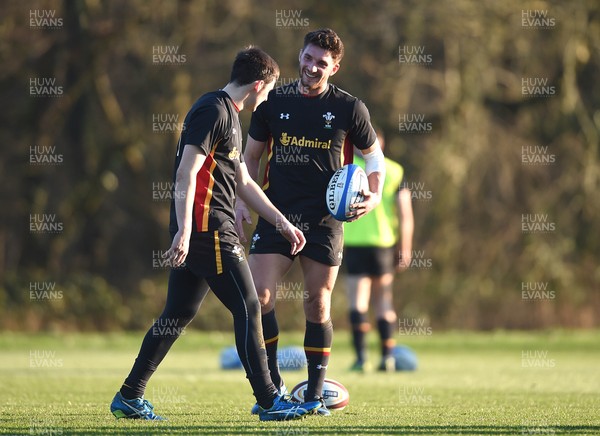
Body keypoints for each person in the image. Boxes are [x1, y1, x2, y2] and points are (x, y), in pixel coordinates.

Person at [110, 47, 321, 422]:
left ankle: (129, 395)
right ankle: (270, 399)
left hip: (203, 231)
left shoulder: (229, 115)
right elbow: (184, 174)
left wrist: (281, 222)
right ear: (259, 85)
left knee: (177, 314)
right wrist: (186, 232)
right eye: (270, 89)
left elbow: (242, 180)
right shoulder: (213, 110)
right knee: (249, 306)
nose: (270, 97)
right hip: (209, 231)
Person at [235, 29, 385, 416]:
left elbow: (374, 158)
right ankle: (271, 389)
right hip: (276, 214)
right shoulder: (271, 102)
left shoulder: (351, 108)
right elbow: (250, 159)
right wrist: (242, 201)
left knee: (317, 304)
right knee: (259, 298)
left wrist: (374, 195)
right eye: (308, 57)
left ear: (335, 67)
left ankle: (315, 395)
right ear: (300, 55)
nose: (312, 67)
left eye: (322, 62)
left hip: (325, 219)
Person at [344, 132, 414, 372]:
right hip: (383, 244)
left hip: (354, 241)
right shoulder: (394, 170)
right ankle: (388, 358)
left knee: (358, 302)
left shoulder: (348, 169)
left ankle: (361, 359)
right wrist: (405, 248)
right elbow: (406, 215)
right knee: (384, 302)